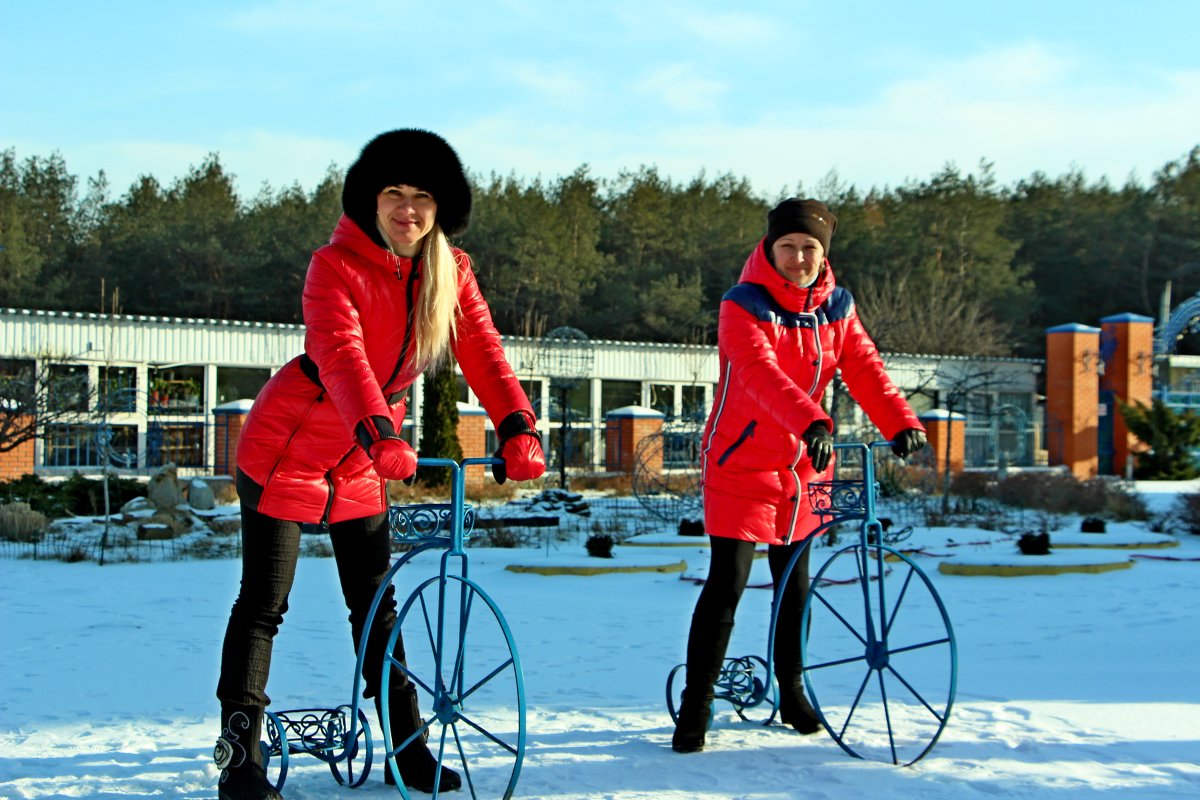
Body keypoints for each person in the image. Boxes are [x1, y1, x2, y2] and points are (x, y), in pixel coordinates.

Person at [213, 129, 546, 799]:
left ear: (440, 208)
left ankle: (408, 747)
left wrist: (516, 426)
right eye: (393, 194)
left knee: (376, 611)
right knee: (264, 604)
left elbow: (483, 351)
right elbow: (341, 355)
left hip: (364, 458)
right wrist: (374, 429)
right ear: (370, 200)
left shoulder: (451, 273)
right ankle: (239, 759)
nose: (407, 210)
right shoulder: (333, 266)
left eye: (422, 197)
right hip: (288, 448)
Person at [672, 198, 927, 753]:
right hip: (742, 460)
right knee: (728, 584)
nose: (798, 257)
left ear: (824, 252)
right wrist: (811, 417)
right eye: (787, 246)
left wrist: (900, 421)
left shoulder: (837, 306)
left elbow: (863, 365)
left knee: (797, 585)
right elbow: (759, 374)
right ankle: (696, 703)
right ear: (770, 248)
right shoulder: (743, 305)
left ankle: (792, 690)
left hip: (807, 464)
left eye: (809, 247)